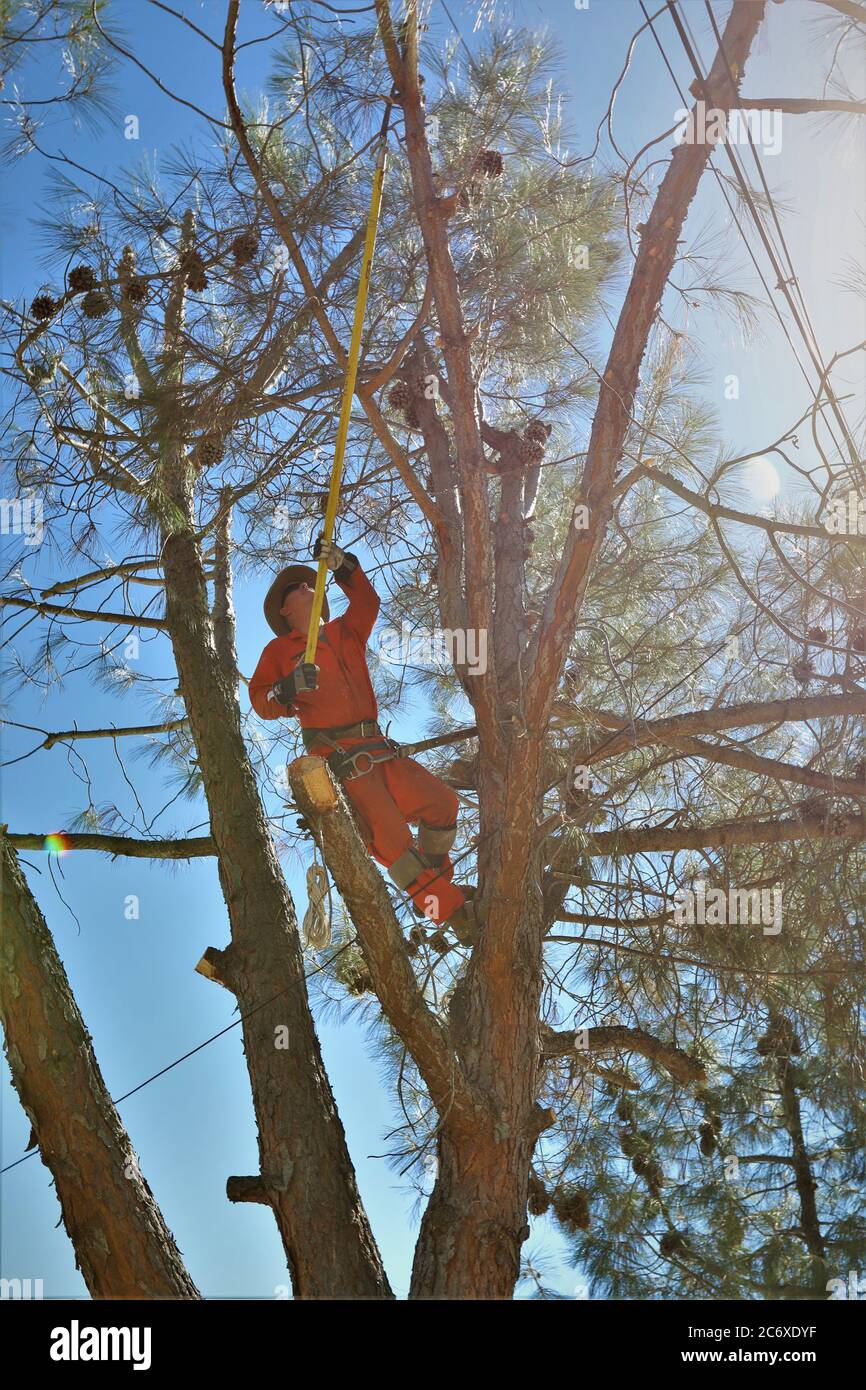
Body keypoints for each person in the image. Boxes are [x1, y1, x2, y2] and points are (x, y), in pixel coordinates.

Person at [249, 537, 477, 940]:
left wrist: (343, 566)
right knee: (393, 843)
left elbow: (367, 604)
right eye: (299, 588)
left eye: (310, 584)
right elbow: (261, 701)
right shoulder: (279, 650)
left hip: (377, 751)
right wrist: (287, 688)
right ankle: (453, 911)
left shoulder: (342, 633)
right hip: (341, 760)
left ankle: (434, 884)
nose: (307, 587)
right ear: (286, 611)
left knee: (442, 803)